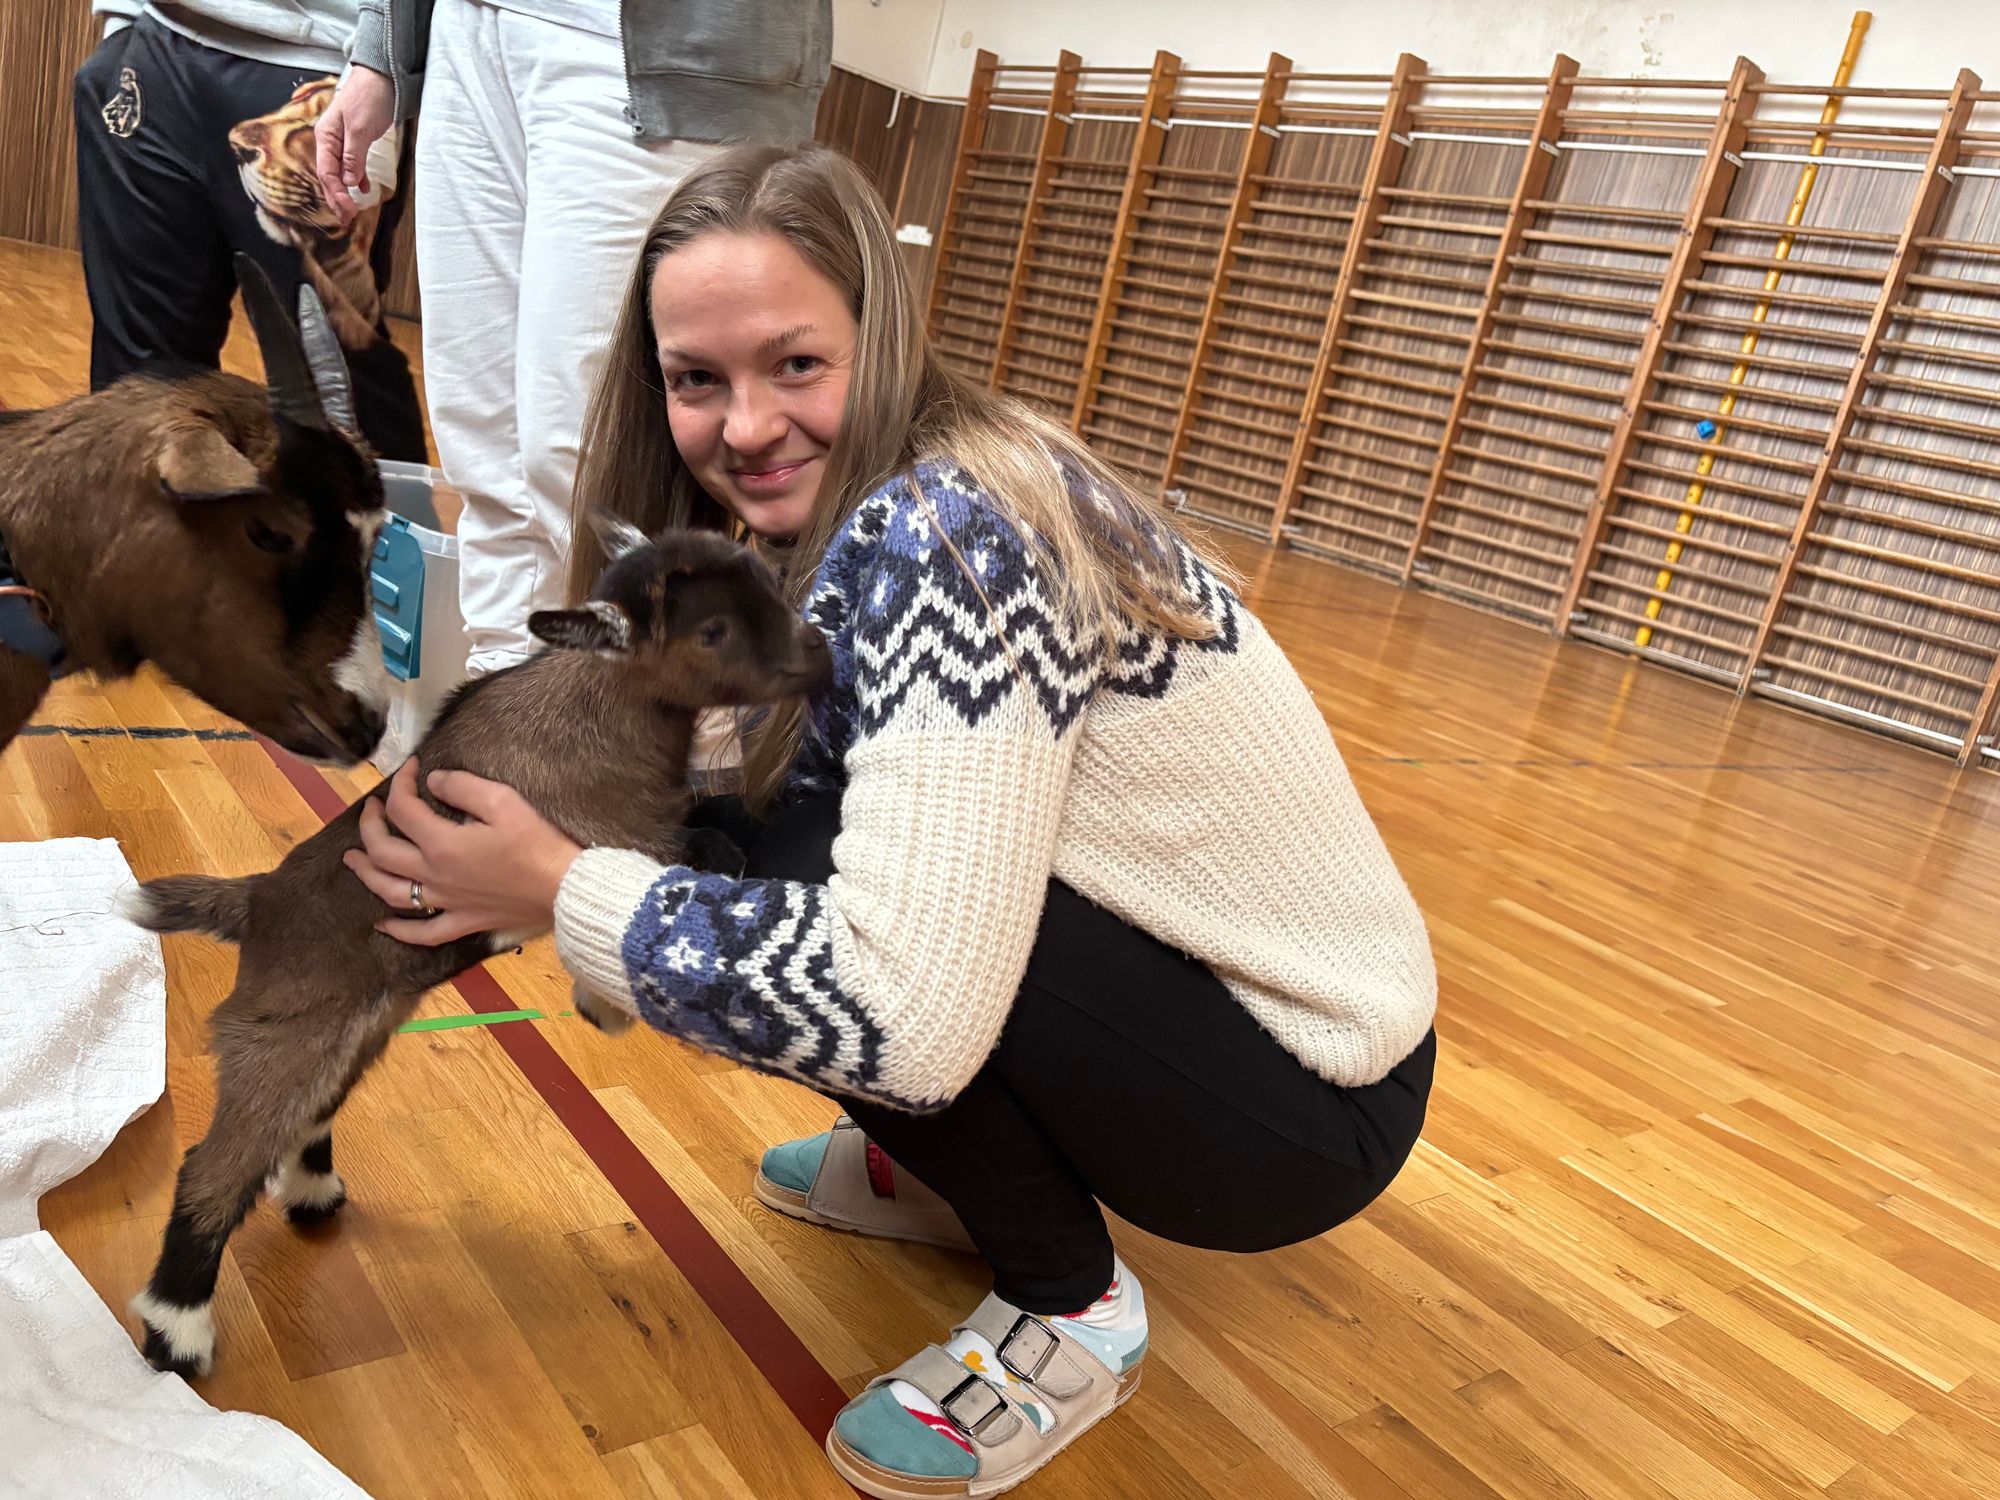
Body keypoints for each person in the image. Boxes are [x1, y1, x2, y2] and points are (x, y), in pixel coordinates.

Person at [342, 143, 1438, 1498]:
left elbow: (906, 1012)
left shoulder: (954, 537)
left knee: (804, 880)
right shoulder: (851, 503)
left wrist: (561, 888)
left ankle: (1069, 1307)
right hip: (1201, 1008)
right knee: (757, 828)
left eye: (796, 364)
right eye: (697, 380)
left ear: (885, 341)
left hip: (1304, 1097)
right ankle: (964, 1172)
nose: (746, 427)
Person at [315, 0, 832, 676]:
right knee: (483, 443)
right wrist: (381, 50)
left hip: (642, 51)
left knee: (586, 452)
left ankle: (678, 715)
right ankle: (504, 701)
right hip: (468, 32)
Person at [75, 0, 428, 462]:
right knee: (136, 390)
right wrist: (121, 22)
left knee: (345, 401)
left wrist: (379, 66)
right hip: (151, 50)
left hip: (320, 71)